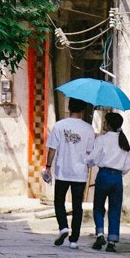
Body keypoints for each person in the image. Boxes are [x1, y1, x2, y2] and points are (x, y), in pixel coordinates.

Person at [43, 99, 95, 248]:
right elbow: (89, 152)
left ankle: (63, 227)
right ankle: (74, 240)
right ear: (83, 110)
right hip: (80, 172)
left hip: (63, 171)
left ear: (69, 107)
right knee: (77, 205)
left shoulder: (59, 126)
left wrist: (48, 167)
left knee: (59, 201)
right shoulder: (88, 129)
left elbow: (52, 149)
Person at [89, 112, 130, 252]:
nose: (103, 124)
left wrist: (86, 162)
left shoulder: (101, 139)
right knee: (115, 209)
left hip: (104, 175)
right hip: (117, 178)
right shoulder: (123, 141)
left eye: (105, 122)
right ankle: (112, 241)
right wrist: (118, 173)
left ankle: (100, 234)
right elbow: (127, 165)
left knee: (98, 206)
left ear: (109, 124)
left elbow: (93, 158)